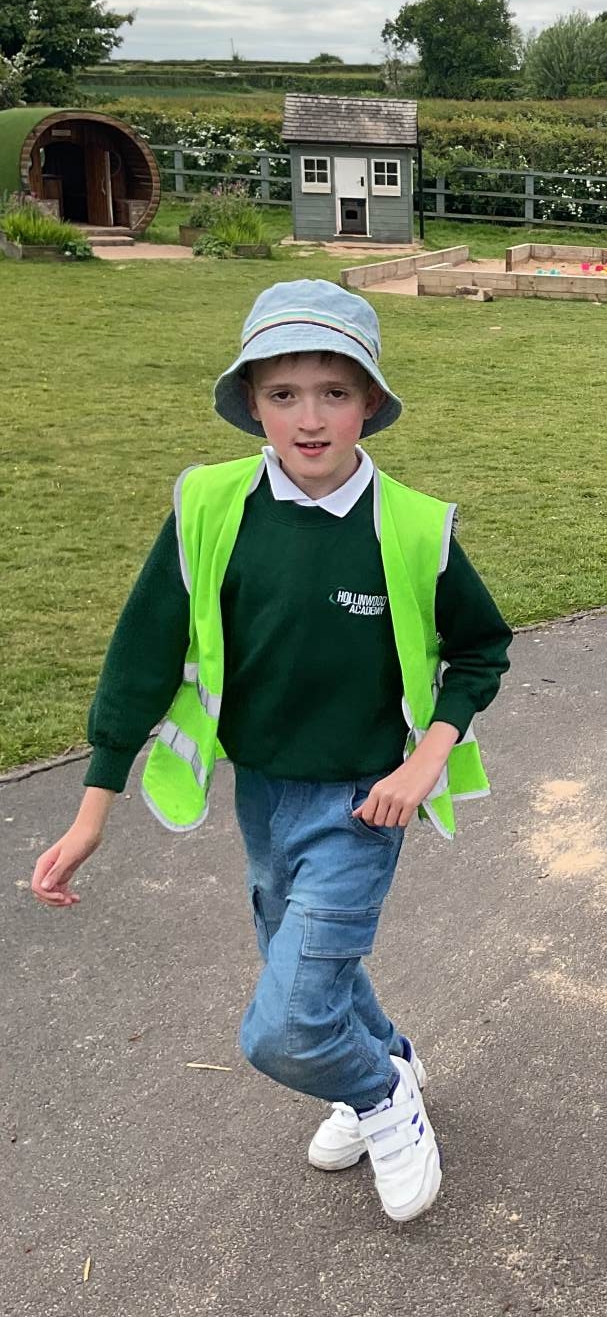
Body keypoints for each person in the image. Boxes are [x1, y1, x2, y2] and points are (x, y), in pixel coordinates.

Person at [29, 280, 512, 1224]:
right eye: (284, 394)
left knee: (284, 1028)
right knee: (313, 974)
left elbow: (481, 649)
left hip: (364, 807)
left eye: (335, 392)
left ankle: (380, 1095)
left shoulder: (415, 526)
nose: (310, 418)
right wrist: (92, 814)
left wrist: (424, 763)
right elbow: (141, 658)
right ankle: (390, 1060)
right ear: (252, 402)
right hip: (263, 800)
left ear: (370, 402)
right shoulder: (210, 506)